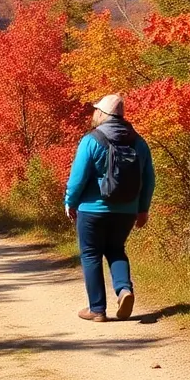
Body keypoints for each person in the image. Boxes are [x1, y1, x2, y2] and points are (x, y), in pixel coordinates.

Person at [65, 93, 155, 323]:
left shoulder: (92, 140)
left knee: (91, 254)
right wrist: (142, 208)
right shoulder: (139, 142)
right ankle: (124, 290)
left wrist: (70, 201)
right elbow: (149, 178)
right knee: (116, 249)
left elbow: (78, 177)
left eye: (97, 110)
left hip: (92, 210)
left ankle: (97, 309)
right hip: (126, 211)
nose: (94, 113)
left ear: (104, 114)